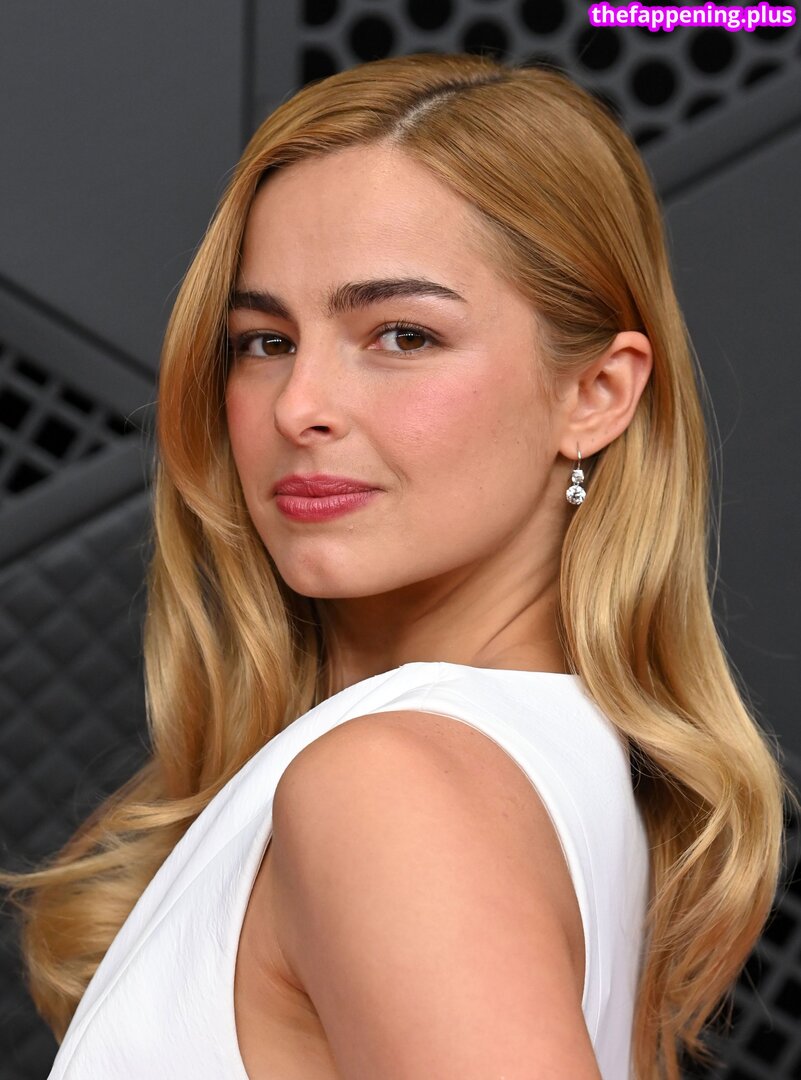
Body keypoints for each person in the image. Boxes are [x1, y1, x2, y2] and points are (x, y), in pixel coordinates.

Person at [0, 51, 794, 1080]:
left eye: (403, 335)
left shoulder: (390, 786)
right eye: (264, 341)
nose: (300, 407)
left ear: (595, 393)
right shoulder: (528, 766)